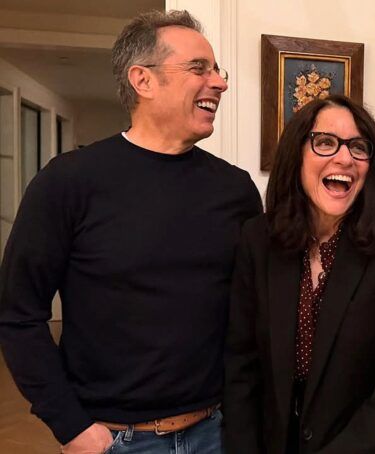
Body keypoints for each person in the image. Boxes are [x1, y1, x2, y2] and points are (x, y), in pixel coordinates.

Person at [0, 10, 262, 454]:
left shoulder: (235, 190)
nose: (219, 83)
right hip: (115, 440)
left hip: (216, 433)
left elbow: (252, 313)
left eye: (218, 70)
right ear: (143, 80)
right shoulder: (69, 181)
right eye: (199, 68)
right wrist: (71, 426)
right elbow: (18, 315)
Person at [224, 94, 375, 453]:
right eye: (325, 142)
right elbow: (241, 366)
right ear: (297, 155)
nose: (345, 158)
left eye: (358, 147)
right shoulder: (258, 239)